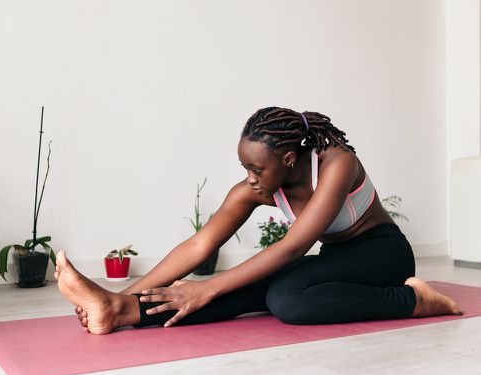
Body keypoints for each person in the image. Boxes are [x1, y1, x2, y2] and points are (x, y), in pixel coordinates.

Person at [54, 106, 462, 335]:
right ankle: (120, 312)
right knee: (255, 290)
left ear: (288, 160)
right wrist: (130, 292)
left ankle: (416, 301)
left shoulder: (338, 163)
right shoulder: (257, 187)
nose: (250, 178)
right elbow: (200, 245)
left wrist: (208, 286)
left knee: (286, 298)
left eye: (256, 169)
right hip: (336, 258)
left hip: (383, 255)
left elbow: (292, 246)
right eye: (244, 167)